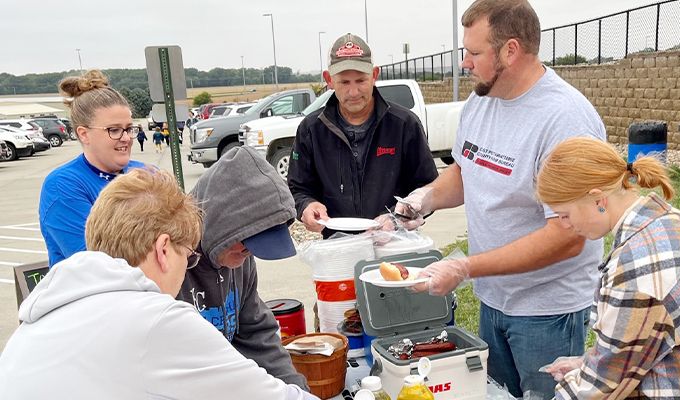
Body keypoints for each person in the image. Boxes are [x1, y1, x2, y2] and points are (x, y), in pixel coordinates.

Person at [403, 1, 607, 397]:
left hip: (547, 309)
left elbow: (568, 235)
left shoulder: (564, 119)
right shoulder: (482, 99)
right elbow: (465, 170)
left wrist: (465, 267)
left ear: (510, 50)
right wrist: (423, 199)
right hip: (493, 299)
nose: (465, 63)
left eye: (475, 53)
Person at [0, 169, 317, 400]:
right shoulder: (154, 321)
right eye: (187, 257)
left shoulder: (45, 313)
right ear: (164, 250)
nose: (188, 265)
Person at [534, 137, 680, 398]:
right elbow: (643, 340)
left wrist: (583, 378)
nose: (564, 225)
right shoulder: (673, 220)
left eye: (565, 214)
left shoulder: (635, 264)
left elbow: (601, 387)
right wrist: (586, 364)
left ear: (597, 199)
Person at [178, 146, 308, 389]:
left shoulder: (239, 258)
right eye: (246, 242)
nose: (248, 253)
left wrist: (297, 392)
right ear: (218, 224)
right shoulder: (172, 267)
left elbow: (257, 333)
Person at [287, 32, 438, 238]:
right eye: (344, 82)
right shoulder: (311, 129)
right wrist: (307, 205)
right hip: (338, 248)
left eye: (361, 80)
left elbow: (428, 188)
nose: (354, 92)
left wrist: (398, 218)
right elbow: (297, 187)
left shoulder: (404, 124)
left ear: (375, 75)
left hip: (396, 243)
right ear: (329, 79)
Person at [39, 69, 146, 267]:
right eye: (114, 130)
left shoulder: (146, 172)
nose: (126, 138)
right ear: (84, 134)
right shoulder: (63, 185)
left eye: (129, 128)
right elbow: (95, 263)